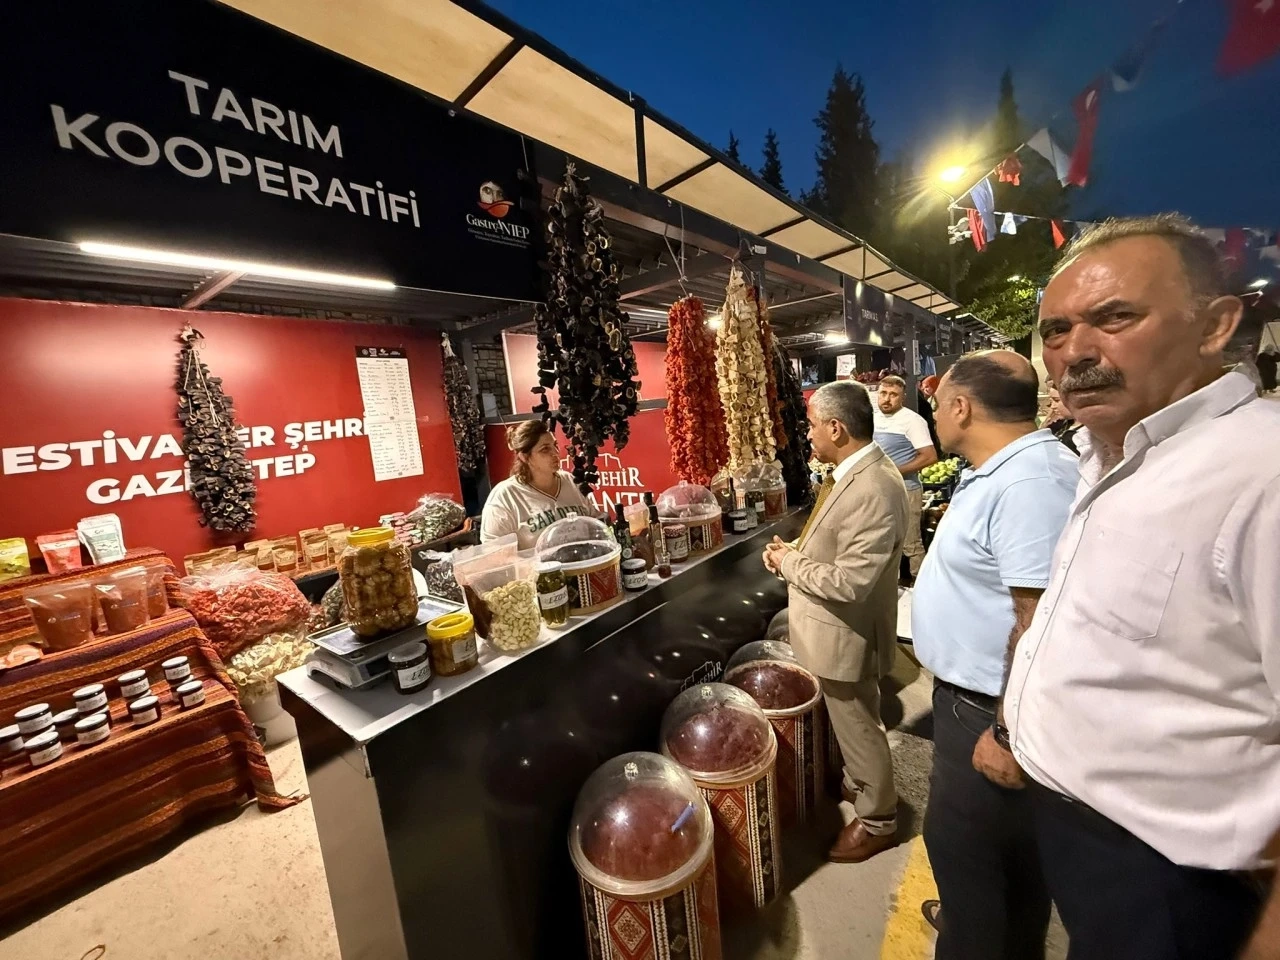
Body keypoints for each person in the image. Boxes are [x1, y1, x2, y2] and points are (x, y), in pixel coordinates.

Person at [1003, 214, 1280, 960]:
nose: (1075, 352)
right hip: (1086, 841)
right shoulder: (1106, 453)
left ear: (1215, 326)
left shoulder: (1263, 473)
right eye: (1056, 330)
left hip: (1174, 881)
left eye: (1115, 317)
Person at [911, 351, 1077, 960]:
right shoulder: (1002, 469)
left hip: (988, 712)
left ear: (961, 407)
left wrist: (1007, 731)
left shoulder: (1031, 483)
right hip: (973, 704)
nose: (933, 415)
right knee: (995, 871)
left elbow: (1040, 619)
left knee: (974, 869)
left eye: (937, 404)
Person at [763, 381, 908, 863]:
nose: (808, 435)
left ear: (836, 427)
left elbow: (850, 581)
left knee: (860, 725)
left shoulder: (872, 487)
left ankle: (878, 820)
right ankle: (859, 782)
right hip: (833, 632)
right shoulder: (853, 473)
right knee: (853, 723)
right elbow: (834, 542)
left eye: (811, 426)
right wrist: (794, 552)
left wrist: (789, 564)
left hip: (846, 635)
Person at [479, 420, 592, 549]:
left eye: (555, 445)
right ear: (524, 457)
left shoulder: (571, 481)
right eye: (545, 449)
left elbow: (594, 523)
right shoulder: (505, 497)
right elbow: (495, 553)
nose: (555, 452)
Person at [872, 375, 937, 580]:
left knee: (911, 544)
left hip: (906, 491)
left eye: (893, 395)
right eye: (883, 393)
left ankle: (924, 586)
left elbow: (930, 456)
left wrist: (894, 472)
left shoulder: (913, 421)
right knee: (884, 543)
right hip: (879, 492)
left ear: (903, 397)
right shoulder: (873, 418)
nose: (887, 399)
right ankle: (892, 586)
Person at [1042, 381, 1081, 454]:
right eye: (1051, 401)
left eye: (1057, 400)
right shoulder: (1061, 424)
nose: (1052, 406)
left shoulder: (1086, 435)